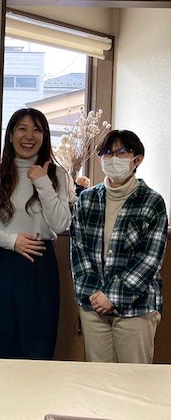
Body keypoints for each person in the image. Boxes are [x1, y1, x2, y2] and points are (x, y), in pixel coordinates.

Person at [0, 108, 70, 360]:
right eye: (22, 129)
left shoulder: (57, 175)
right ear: (10, 135)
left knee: (37, 344)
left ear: (44, 136)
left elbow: (60, 224)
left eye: (37, 130)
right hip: (0, 262)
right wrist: (12, 241)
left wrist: (42, 181)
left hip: (40, 263)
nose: (29, 136)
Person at [70, 129, 168, 363]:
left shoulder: (152, 201)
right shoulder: (87, 199)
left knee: (133, 378)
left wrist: (112, 297)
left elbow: (149, 259)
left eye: (121, 152)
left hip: (137, 306)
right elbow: (78, 251)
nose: (112, 158)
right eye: (107, 152)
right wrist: (96, 295)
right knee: (98, 378)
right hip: (94, 305)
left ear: (137, 159)